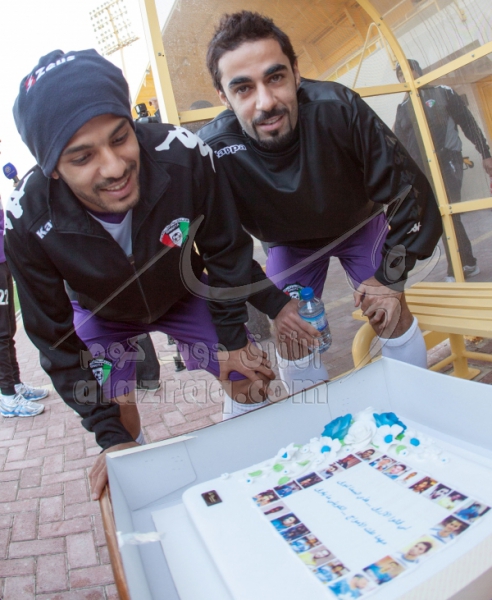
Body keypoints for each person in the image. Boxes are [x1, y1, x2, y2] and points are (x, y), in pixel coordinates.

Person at [7, 49, 296, 499]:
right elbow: (53, 337)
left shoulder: (183, 152)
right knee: (119, 422)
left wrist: (234, 340)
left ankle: (247, 480)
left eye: (120, 137)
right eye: (82, 158)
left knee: (252, 379)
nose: (114, 167)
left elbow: (224, 251)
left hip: (182, 293)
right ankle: (146, 491)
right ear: (52, 170)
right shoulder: (24, 216)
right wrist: (110, 437)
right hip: (101, 314)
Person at [199, 11, 443, 391]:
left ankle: (417, 403)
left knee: (389, 310)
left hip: (359, 225)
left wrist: (390, 278)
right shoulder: (214, 149)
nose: (266, 102)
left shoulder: (339, 108)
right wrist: (274, 307)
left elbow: (411, 195)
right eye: (243, 88)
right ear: (224, 98)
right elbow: (222, 250)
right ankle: (319, 421)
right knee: (293, 334)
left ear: (296, 73)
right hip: (288, 244)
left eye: (275, 78)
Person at [394, 59, 492, 281]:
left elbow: (468, 124)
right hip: (422, 171)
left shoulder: (442, 92)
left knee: (446, 211)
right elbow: (400, 146)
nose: (404, 77)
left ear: (418, 71)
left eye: (408, 71)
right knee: (440, 215)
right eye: (400, 75)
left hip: (448, 160)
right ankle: (467, 262)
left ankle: (460, 265)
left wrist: (485, 153)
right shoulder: (403, 108)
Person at [0, 195, 48, 417]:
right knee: (1, 333)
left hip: (3, 260)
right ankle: (7, 396)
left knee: (9, 329)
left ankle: (15, 384)